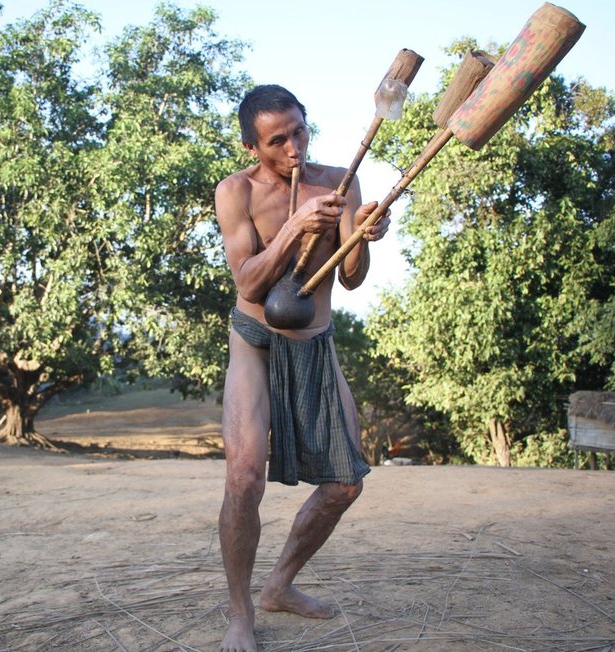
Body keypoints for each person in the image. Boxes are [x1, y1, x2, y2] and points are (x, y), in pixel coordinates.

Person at [214, 84, 391, 652]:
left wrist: (363, 236)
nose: (294, 146)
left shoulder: (339, 180)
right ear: (251, 147)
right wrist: (295, 227)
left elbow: (351, 277)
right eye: (276, 139)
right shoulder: (235, 192)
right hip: (256, 342)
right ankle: (241, 613)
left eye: (299, 129)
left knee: (344, 483)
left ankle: (279, 586)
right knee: (244, 476)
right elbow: (247, 282)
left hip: (315, 341)